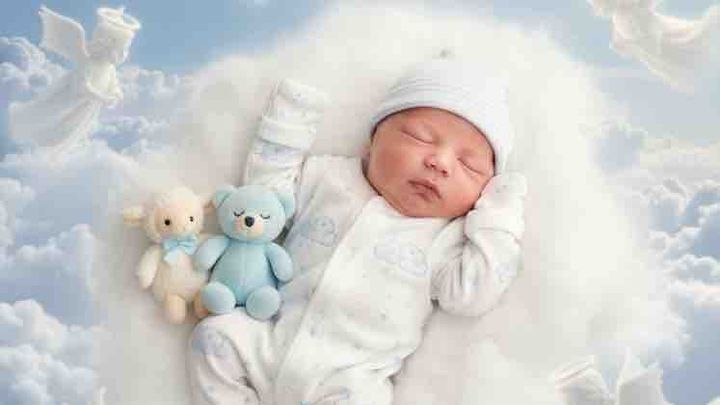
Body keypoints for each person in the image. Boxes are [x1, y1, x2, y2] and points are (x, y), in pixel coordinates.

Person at [188, 55, 527, 405]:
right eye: (420, 137)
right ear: (372, 141)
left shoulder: (446, 238)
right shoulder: (330, 178)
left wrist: (499, 212)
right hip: (269, 340)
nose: (439, 163)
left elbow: (474, 294)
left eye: (469, 165)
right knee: (216, 335)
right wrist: (289, 121)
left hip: (348, 380)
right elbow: (266, 197)